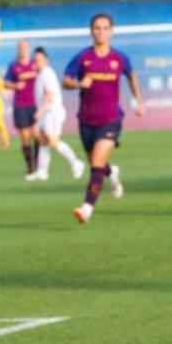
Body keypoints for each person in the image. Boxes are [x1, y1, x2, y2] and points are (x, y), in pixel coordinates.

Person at [62, 13, 145, 224]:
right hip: (86, 121)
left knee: (97, 162)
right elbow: (65, 81)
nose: (101, 32)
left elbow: (132, 76)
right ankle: (113, 172)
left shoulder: (119, 58)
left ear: (111, 31)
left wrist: (138, 100)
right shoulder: (82, 57)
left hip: (110, 119)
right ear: (91, 31)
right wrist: (80, 84)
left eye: (105, 28)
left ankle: (87, 207)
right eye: (97, 28)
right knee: (96, 165)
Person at [25, 47, 85, 182]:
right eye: (35, 60)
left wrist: (39, 112)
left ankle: (76, 163)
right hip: (46, 112)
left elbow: (50, 94)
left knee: (53, 141)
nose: (37, 62)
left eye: (39, 59)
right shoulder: (40, 74)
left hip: (52, 112)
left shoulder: (47, 74)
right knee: (42, 140)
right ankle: (42, 171)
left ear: (46, 60)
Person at [3, 40, 39, 175]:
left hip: (36, 104)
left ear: (29, 48)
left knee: (37, 134)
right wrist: (15, 86)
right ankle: (30, 166)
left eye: (25, 47)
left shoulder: (36, 64)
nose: (23, 49)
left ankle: (39, 165)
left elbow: (45, 77)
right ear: (18, 49)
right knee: (25, 136)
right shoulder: (14, 65)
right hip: (20, 105)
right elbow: (6, 82)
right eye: (20, 47)